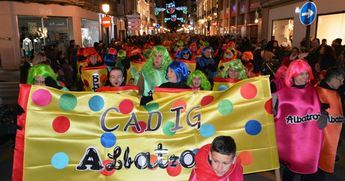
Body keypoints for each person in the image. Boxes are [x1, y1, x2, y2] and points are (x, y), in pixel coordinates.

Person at [272, 60, 326, 181]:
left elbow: (317, 109)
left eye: (307, 73)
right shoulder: (282, 94)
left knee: (309, 168)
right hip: (293, 141)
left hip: (312, 138)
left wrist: (324, 114)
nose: (305, 77)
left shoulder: (313, 90)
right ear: (293, 75)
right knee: (292, 168)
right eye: (301, 74)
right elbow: (274, 114)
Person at [315, 68, 344, 179]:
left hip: (332, 134)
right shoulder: (317, 91)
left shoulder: (335, 92)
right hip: (320, 136)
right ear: (333, 78)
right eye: (340, 80)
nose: (342, 83)